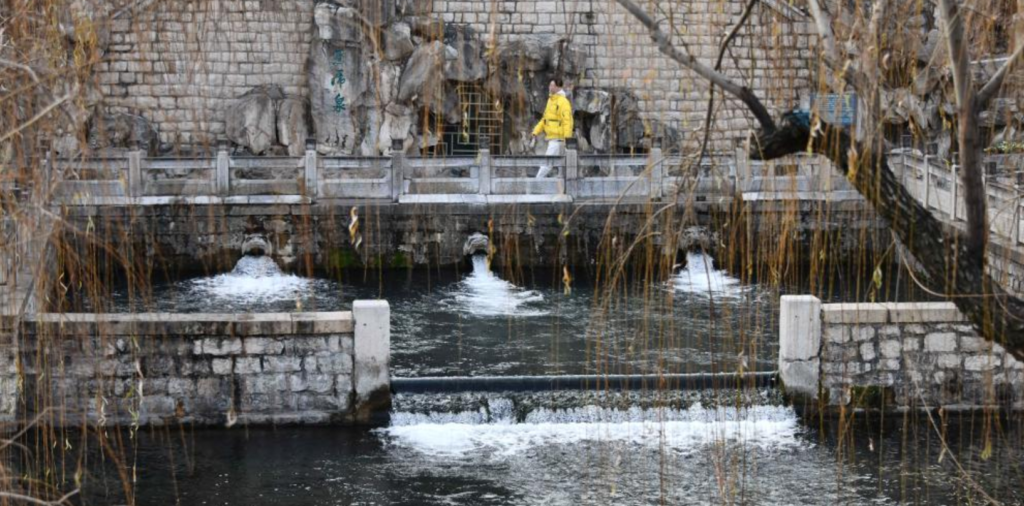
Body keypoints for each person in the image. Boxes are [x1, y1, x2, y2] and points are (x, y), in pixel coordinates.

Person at [531, 78, 573, 178]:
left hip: (559, 139)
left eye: (552, 85)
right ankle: (562, 189)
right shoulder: (551, 100)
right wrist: (535, 132)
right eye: (550, 85)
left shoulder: (563, 102)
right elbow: (544, 119)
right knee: (561, 166)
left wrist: (567, 139)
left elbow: (567, 121)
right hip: (554, 138)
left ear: (558, 87)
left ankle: (536, 183)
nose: (550, 87)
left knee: (547, 163)